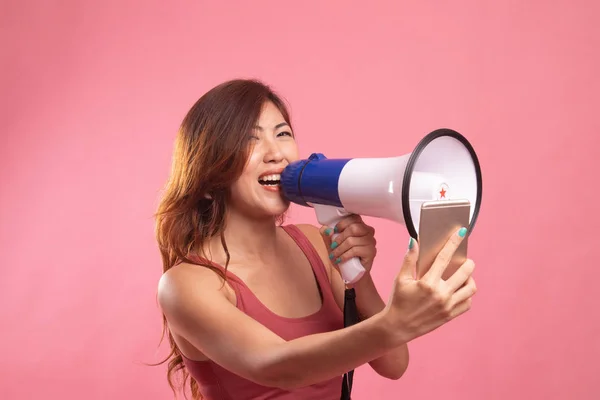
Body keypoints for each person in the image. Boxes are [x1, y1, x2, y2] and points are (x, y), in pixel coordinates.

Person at [153, 79, 477, 400]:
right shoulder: (186, 284)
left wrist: (359, 278)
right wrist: (396, 321)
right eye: (250, 140)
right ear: (207, 174)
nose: (276, 153)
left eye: (283, 134)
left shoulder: (315, 244)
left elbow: (393, 363)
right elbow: (275, 366)